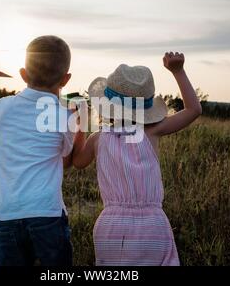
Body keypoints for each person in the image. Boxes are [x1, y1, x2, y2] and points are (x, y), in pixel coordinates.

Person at [72, 52, 202, 265]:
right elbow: (194, 110)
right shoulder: (152, 132)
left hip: (110, 228)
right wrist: (178, 71)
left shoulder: (98, 138)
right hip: (152, 227)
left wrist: (80, 126)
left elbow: (77, 162)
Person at [0, 35, 76, 266]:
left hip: (7, 214)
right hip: (47, 213)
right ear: (66, 79)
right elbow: (67, 159)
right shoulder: (66, 116)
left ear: (23, 74)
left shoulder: (3, 107)